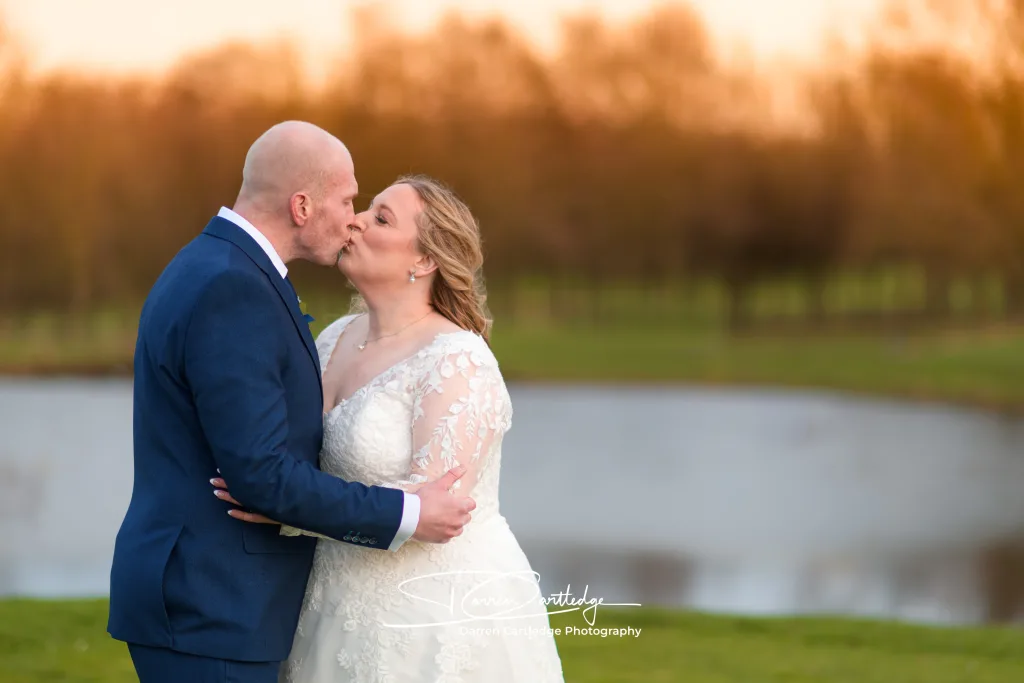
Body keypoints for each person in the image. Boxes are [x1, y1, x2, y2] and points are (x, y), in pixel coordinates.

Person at [107, 122, 475, 683]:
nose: (353, 218)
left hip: (209, 601)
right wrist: (409, 513)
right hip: (210, 603)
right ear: (302, 206)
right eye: (347, 201)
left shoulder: (216, 265)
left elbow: (262, 466)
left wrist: (279, 495)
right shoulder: (234, 288)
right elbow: (260, 474)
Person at [215, 175, 565, 682]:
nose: (354, 221)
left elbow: (434, 511)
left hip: (428, 613)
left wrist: (284, 509)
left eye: (381, 218)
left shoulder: (456, 360)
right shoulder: (334, 338)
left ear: (424, 260)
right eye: (365, 208)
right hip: (328, 603)